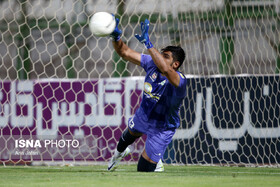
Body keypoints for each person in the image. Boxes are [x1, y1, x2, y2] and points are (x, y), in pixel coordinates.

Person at [108, 17, 187, 172]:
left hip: (163, 126)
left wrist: (148, 44)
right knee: (129, 135)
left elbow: (166, 70)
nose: (159, 58)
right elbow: (124, 52)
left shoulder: (180, 81)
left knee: (143, 170)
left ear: (175, 64)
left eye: (165, 57)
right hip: (144, 115)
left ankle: (156, 160)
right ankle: (119, 153)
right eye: (161, 54)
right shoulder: (152, 63)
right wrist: (116, 38)